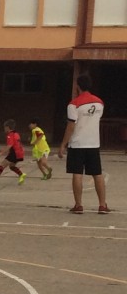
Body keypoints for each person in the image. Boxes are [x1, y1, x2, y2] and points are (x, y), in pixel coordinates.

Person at [59, 74, 110, 214]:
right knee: (97, 174)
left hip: (77, 143)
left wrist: (63, 143)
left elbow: (71, 125)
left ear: (78, 86)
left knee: (77, 173)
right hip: (93, 143)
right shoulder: (100, 103)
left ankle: (79, 205)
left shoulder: (73, 104)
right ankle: (102, 205)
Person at [0, 119, 26, 185]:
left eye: (4, 127)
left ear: (7, 127)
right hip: (20, 153)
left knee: (2, 165)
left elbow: (9, 145)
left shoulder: (10, 135)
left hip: (14, 153)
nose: (4, 129)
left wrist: (1, 153)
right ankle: (21, 174)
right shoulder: (16, 133)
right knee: (11, 166)